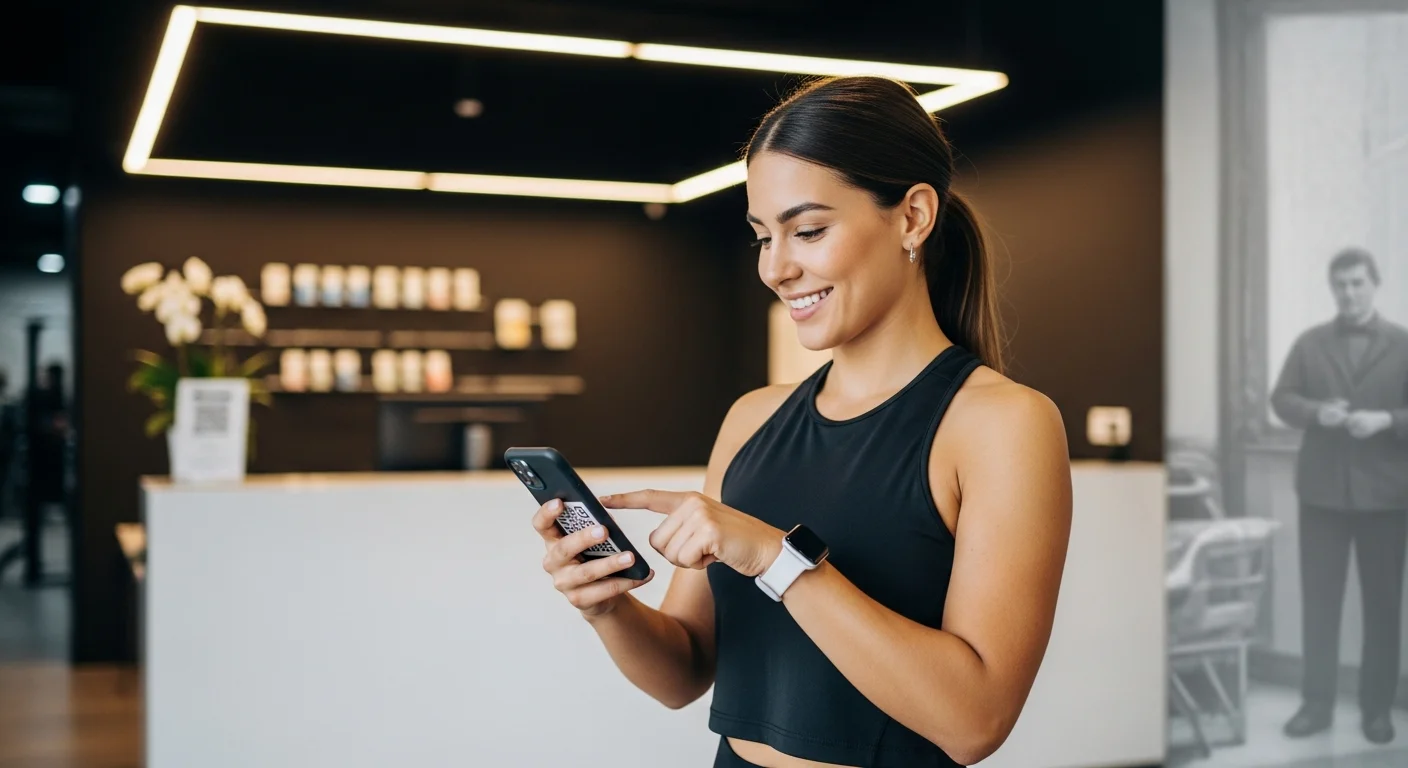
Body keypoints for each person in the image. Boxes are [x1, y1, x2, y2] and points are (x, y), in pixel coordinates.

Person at [528, 76, 1073, 768]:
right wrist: (606, 607)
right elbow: (684, 673)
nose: (777, 268)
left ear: (912, 217)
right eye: (762, 237)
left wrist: (775, 559)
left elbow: (975, 722)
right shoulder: (752, 418)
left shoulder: (1002, 423)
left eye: (808, 230)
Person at [1272, 247, 1408, 745]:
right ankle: (1317, 705)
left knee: (1383, 608)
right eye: (1341, 285)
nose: (1349, 293)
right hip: (1323, 495)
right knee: (1320, 605)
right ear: (1333, 290)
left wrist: (1388, 421)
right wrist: (1315, 412)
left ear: (1375, 284)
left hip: (1388, 499)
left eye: (1357, 283)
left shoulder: (1404, 343)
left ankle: (1377, 710)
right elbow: (1281, 399)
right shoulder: (1310, 343)